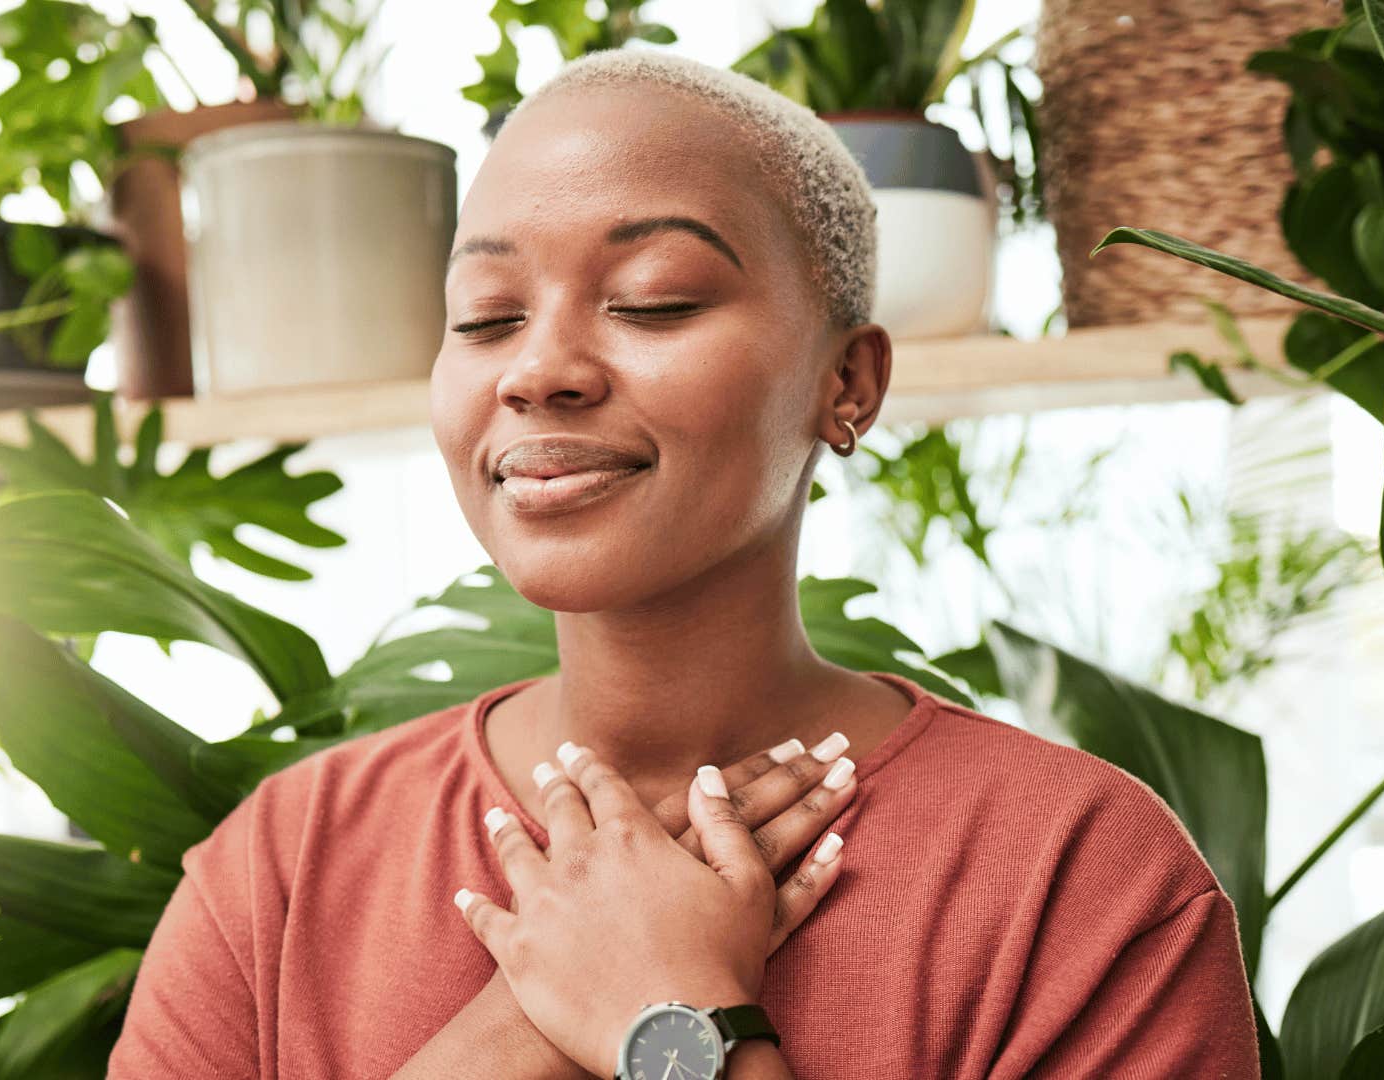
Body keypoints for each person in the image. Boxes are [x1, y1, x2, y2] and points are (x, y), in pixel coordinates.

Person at [108, 49, 1262, 1080]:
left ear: (846, 383)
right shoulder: (284, 866)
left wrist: (680, 1024)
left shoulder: (1078, 882)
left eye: (651, 301)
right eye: (485, 315)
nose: (539, 369)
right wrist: (522, 1023)